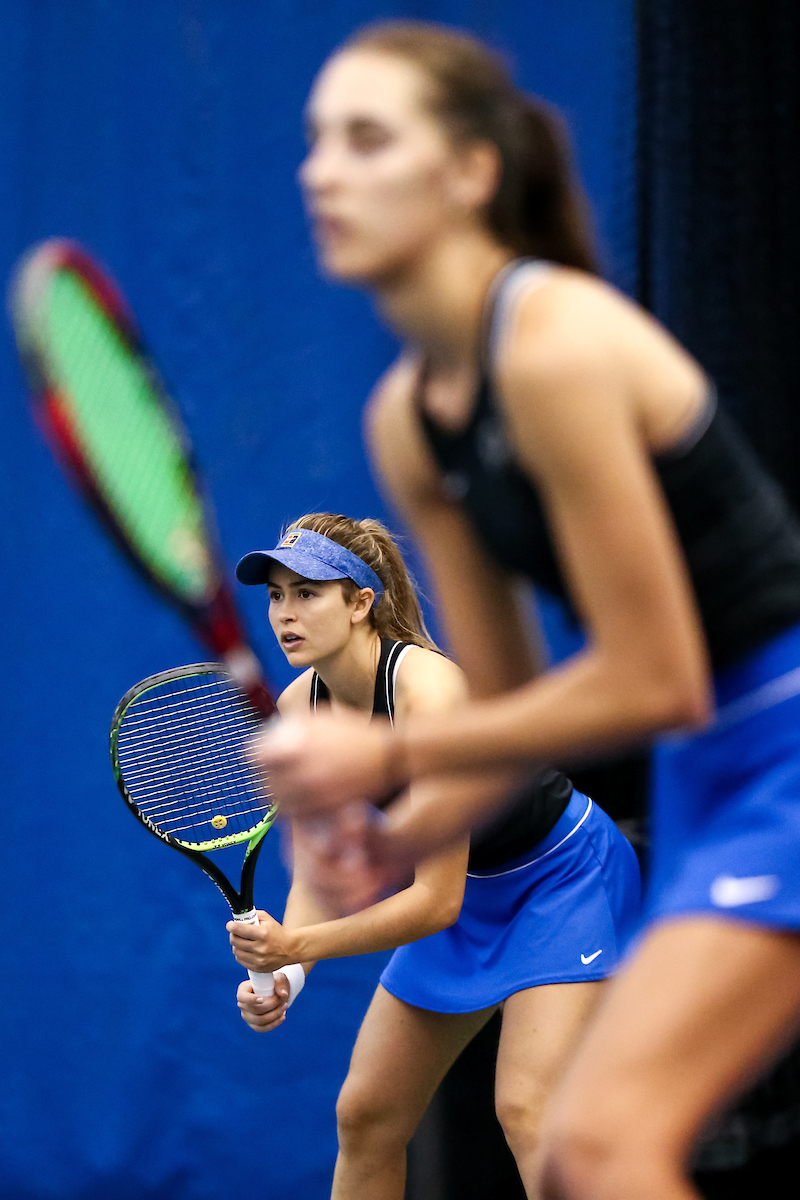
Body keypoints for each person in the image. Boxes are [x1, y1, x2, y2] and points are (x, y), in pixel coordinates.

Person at [254, 20, 800, 1200]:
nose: (319, 171)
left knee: (583, 1145)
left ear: (468, 173)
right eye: (313, 142)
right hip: (711, 776)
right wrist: (393, 830)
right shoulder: (407, 418)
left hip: (780, 740)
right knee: (570, 1156)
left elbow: (655, 679)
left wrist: (388, 751)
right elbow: (511, 709)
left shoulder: (552, 345)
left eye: (364, 138)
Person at [227, 511, 639, 1200]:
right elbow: (324, 872)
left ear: (361, 604)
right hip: (472, 893)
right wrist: (291, 972)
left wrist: (297, 941)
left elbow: (434, 901)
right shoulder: (302, 706)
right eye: (275, 595)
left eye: (307, 593)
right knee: (365, 1115)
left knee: (529, 1112)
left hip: (561, 880)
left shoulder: (429, 690)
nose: (285, 614)